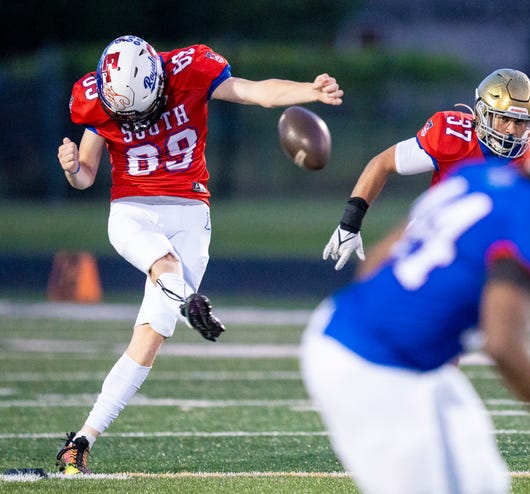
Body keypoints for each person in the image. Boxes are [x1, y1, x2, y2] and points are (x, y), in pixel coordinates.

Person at [301, 98, 530, 494]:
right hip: (374, 365)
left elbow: (374, 264)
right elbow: (503, 344)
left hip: (364, 336)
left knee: (482, 480)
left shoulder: (476, 177)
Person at [54, 34, 343, 475]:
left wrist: (309, 91)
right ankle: (189, 302)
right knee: (165, 268)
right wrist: (75, 168)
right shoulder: (98, 95)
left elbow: (253, 91)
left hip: (190, 211)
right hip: (131, 211)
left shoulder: (190, 69)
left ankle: (81, 441)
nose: (133, 121)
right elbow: (88, 176)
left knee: (150, 336)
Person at [323, 68, 530, 270]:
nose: (511, 131)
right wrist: (350, 224)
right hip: (433, 240)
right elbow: (382, 163)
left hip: (489, 249)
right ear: (481, 113)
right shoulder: (451, 137)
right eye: (504, 118)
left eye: (520, 122)